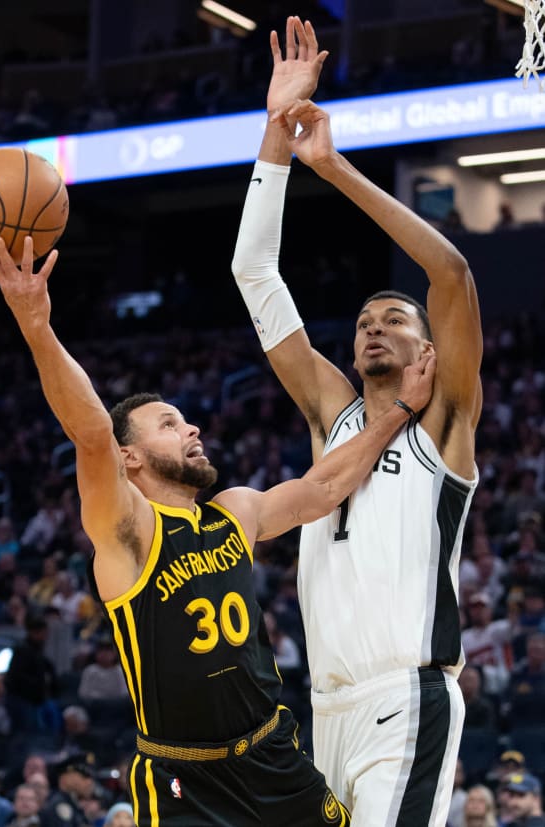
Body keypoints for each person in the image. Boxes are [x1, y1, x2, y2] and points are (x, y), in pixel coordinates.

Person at [0, 233, 435, 827]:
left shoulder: (233, 513)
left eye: (187, 419)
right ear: (130, 459)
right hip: (183, 779)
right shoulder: (128, 532)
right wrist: (37, 325)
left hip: (273, 754)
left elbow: (324, 488)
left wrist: (399, 411)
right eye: (169, 424)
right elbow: (91, 431)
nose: (192, 428)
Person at [230, 16, 483, 827]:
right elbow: (253, 271)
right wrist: (277, 134)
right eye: (366, 318)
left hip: (407, 694)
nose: (374, 325)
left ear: (429, 348)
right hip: (324, 710)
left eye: (396, 318)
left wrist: (332, 168)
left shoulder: (442, 420)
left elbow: (450, 271)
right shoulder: (331, 416)